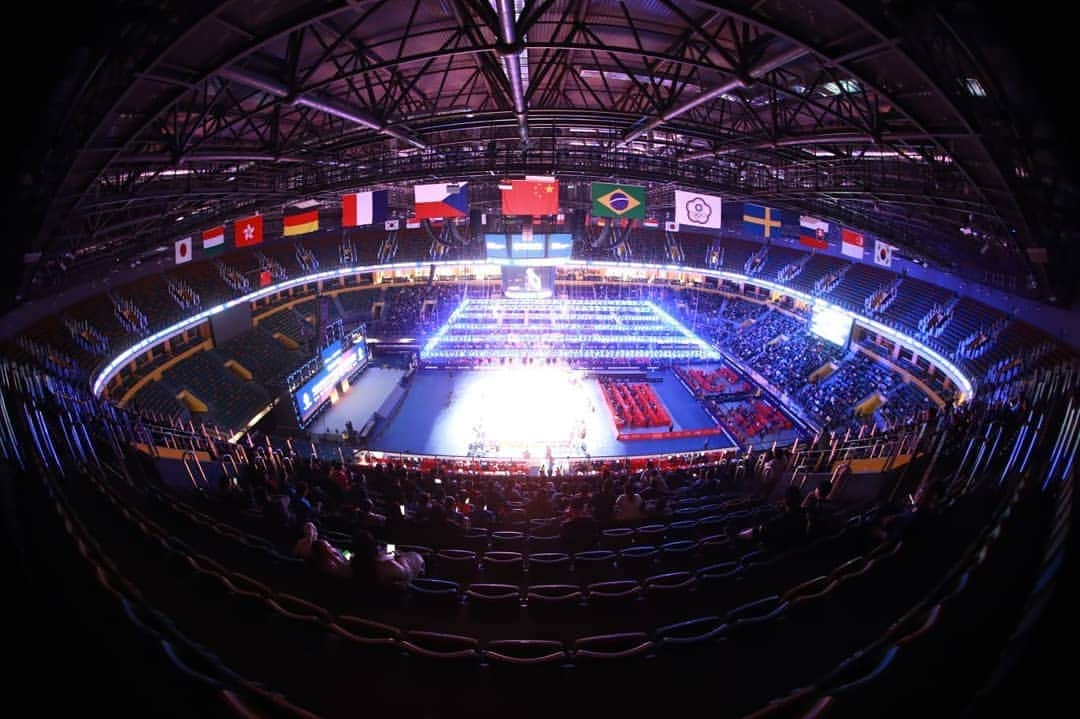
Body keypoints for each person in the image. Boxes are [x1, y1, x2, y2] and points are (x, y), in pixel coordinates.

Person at [350, 530, 425, 588]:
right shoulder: (387, 564)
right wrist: (399, 557)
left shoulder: (354, 561)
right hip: (410, 571)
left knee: (390, 547)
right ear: (374, 547)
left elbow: (345, 553)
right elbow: (407, 574)